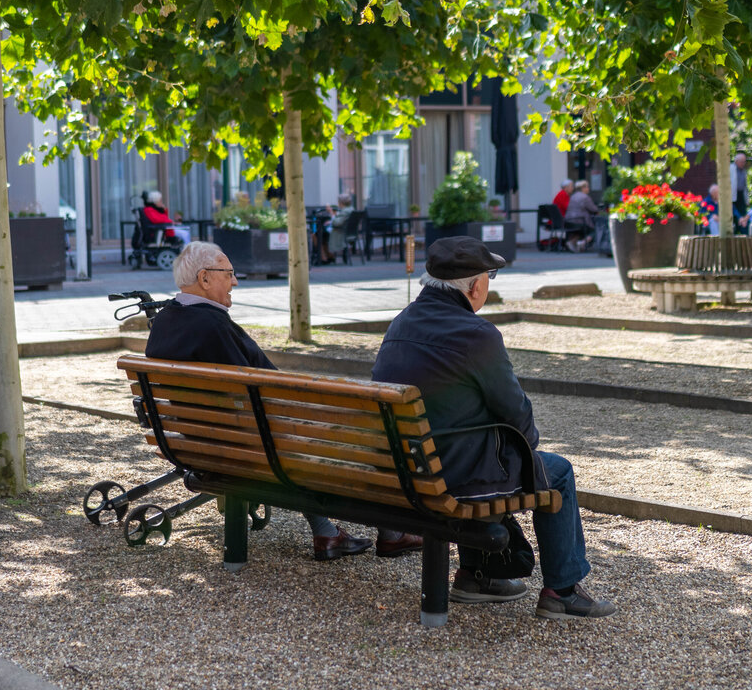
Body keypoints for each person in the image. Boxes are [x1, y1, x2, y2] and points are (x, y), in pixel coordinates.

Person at [372, 236, 616, 620]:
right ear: (475, 286)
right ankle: (562, 590)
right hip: (451, 475)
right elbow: (516, 413)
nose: (489, 283)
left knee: (478, 451)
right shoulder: (478, 336)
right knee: (557, 472)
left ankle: (477, 576)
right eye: (490, 275)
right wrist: (527, 449)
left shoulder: (401, 322)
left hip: (403, 468)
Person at [145, 241, 422, 560]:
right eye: (230, 274)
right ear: (205, 278)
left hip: (199, 442)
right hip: (251, 442)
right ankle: (391, 531)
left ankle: (329, 533)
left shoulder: (167, 320)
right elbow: (259, 393)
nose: (235, 281)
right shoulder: (211, 325)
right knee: (372, 431)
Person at [563, 180, 599, 252]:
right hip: (580, 221)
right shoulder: (585, 197)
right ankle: (583, 243)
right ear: (583, 188)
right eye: (587, 187)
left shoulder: (573, 196)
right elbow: (594, 209)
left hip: (569, 221)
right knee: (595, 230)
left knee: (580, 231)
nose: (588, 189)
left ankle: (572, 242)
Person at [730, 151, 749, 224]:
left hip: (741, 195)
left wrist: (747, 199)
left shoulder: (743, 171)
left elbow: (745, 185)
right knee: (735, 213)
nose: (743, 163)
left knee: (742, 213)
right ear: (736, 161)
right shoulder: (731, 168)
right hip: (734, 194)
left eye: (744, 162)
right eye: (741, 162)